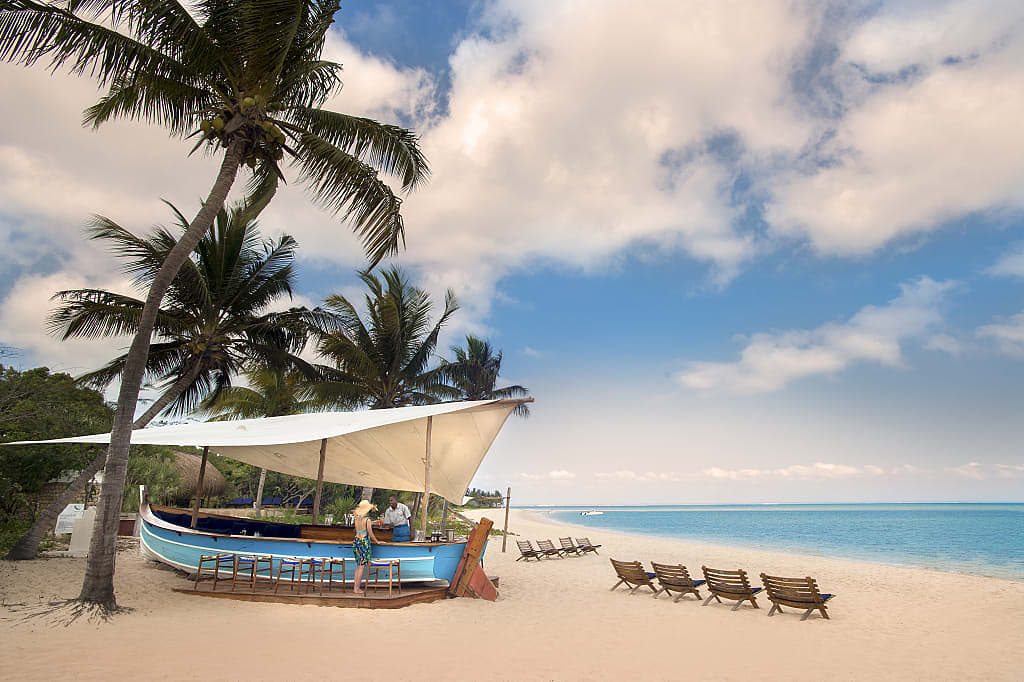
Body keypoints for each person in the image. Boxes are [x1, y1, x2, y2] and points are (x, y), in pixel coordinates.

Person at [351, 499, 378, 595]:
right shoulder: (367, 520)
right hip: (364, 543)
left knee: (358, 566)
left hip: (356, 541)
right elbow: (371, 534)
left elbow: (360, 527)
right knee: (362, 567)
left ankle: (355, 587)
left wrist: (373, 523)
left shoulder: (356, 518)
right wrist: (377, 541)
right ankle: (357, 588)